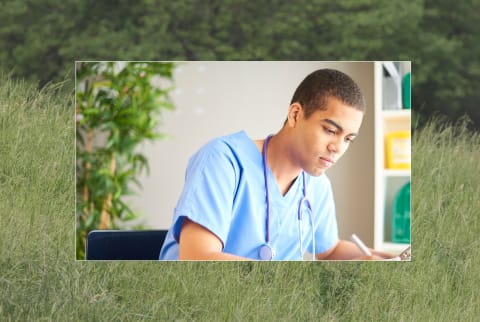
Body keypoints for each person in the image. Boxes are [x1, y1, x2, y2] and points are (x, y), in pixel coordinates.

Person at [160, 68, 394, 260]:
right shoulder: (222, 160)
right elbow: (197, 257)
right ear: (295, 114)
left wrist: (379, 258)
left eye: (348, 139)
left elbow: (329, 250)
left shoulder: (317, 185)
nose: (338, 147)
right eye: (331, 130)